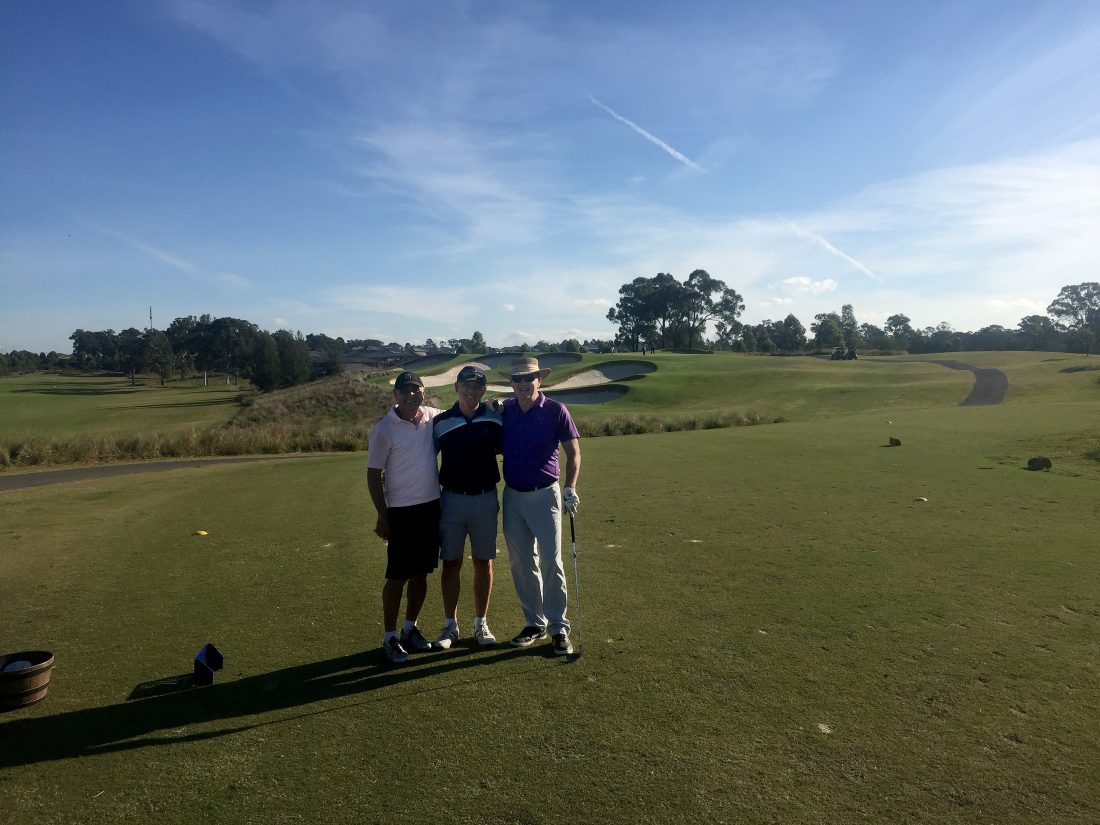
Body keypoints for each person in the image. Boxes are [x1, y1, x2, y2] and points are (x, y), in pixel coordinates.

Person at [499, 356, 582, 655]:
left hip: (545, 495)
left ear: (539, 379)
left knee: (551, 562)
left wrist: (570, 487)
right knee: (521, 563)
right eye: (517, 379)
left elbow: (574, 453)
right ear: (511, 383)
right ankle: (535, 623)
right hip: (512, 497)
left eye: (529, 378)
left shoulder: (556, 410)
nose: (523, 384)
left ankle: (559, 627)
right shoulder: (505, 410)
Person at [366, 371, 442, 664]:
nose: (411, 395)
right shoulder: (384, 429)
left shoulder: (433, 417)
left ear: (424, 392)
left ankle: (410, 629)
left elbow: (463, 410)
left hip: (430, 508)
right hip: (400, 512)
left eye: (415, 390)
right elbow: (373, 474)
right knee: (397, 576)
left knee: (421, 574)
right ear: (396, 395)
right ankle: (390, 636)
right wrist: (382, 514)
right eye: (404, 391)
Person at [431, 365, 503, 650]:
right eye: (466, 385)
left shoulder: (494, 418)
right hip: (451, 500)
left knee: (483, 562)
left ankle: (480, 623)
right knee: (451, 563)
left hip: (485, 498)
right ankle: (450, 626)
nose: (470, 391)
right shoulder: (441, 422)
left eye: (476, 386)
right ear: (456, 387)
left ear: (483, 389)